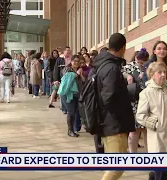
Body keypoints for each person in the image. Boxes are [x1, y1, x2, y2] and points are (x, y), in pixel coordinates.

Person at [92, 33, 135, 180]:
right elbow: (108, 98)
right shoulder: (111, 67)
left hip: (110, 123)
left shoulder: (103, 64)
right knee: (116, 168)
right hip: (113, 125)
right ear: (123, 47)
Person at [136, 61, 167, 180]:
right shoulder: (146, 93)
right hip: (159, 140)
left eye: (164, 72)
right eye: (159, 72)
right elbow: (140, 116)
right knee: (160, 175)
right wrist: (156, 123)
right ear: (152, 74)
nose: (163, 75)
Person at [123, 48, 149, 153]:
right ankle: (132, 154)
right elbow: (121, 72)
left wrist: (146, 74)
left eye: (143, 62)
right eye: (139, 61)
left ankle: (150, 154)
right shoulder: (129, 66)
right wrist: (128, 75)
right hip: (134, 101)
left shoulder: (148, 67)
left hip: (147, 101)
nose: (140, 64)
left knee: (147, 130)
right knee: (134, 130)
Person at [57, 55, 85, 137]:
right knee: (71, 112)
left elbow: (83, 81)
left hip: (76, 94)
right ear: (71, 61)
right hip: (68, 94)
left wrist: (81, 74)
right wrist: (76, 74)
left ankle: (72, 129)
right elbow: (66, 78)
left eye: (78, 61)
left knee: (74, 112)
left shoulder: (80, 70)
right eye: (75, 61)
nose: (76, 63)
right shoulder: (67, 69)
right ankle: (70, 130)